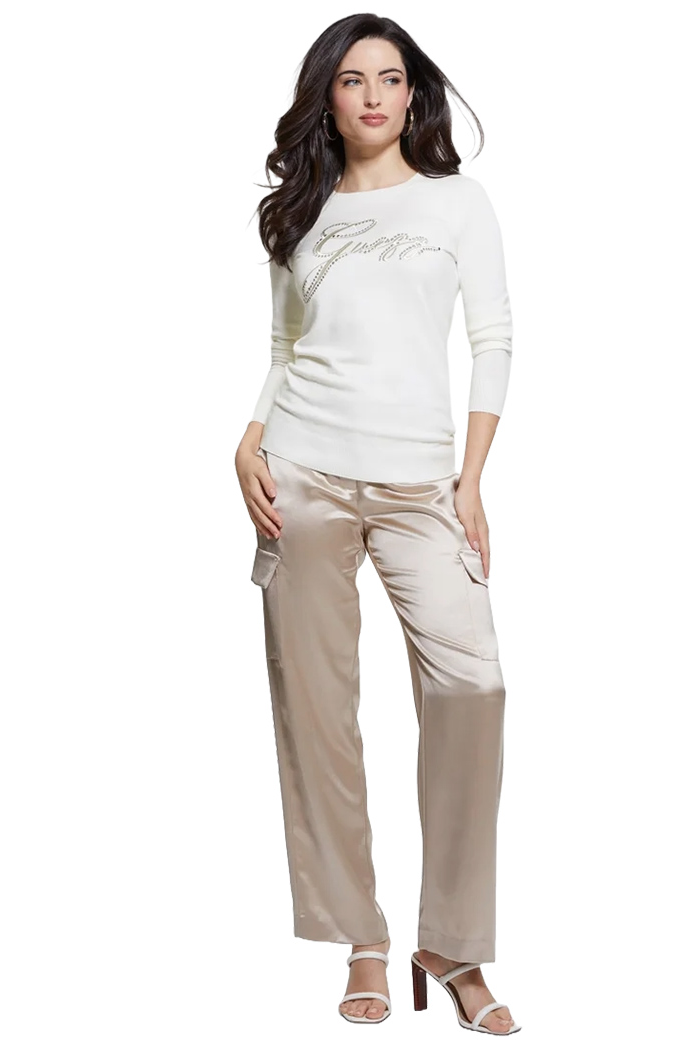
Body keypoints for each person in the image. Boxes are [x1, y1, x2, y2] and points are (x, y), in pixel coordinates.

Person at [235, 13, 520, 1036]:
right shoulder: (297, 213)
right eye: (352, 79)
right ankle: (360, 934)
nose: (371, 96)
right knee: (317, 711)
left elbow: (494, 339)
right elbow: (285, 348)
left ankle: (452, 943)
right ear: (328, 94)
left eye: (390, 79)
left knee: (473, 687)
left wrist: (471, 482)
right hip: (301, 475)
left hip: (420, 487)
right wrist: (249, 438)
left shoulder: (456, 202)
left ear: (413, 95)